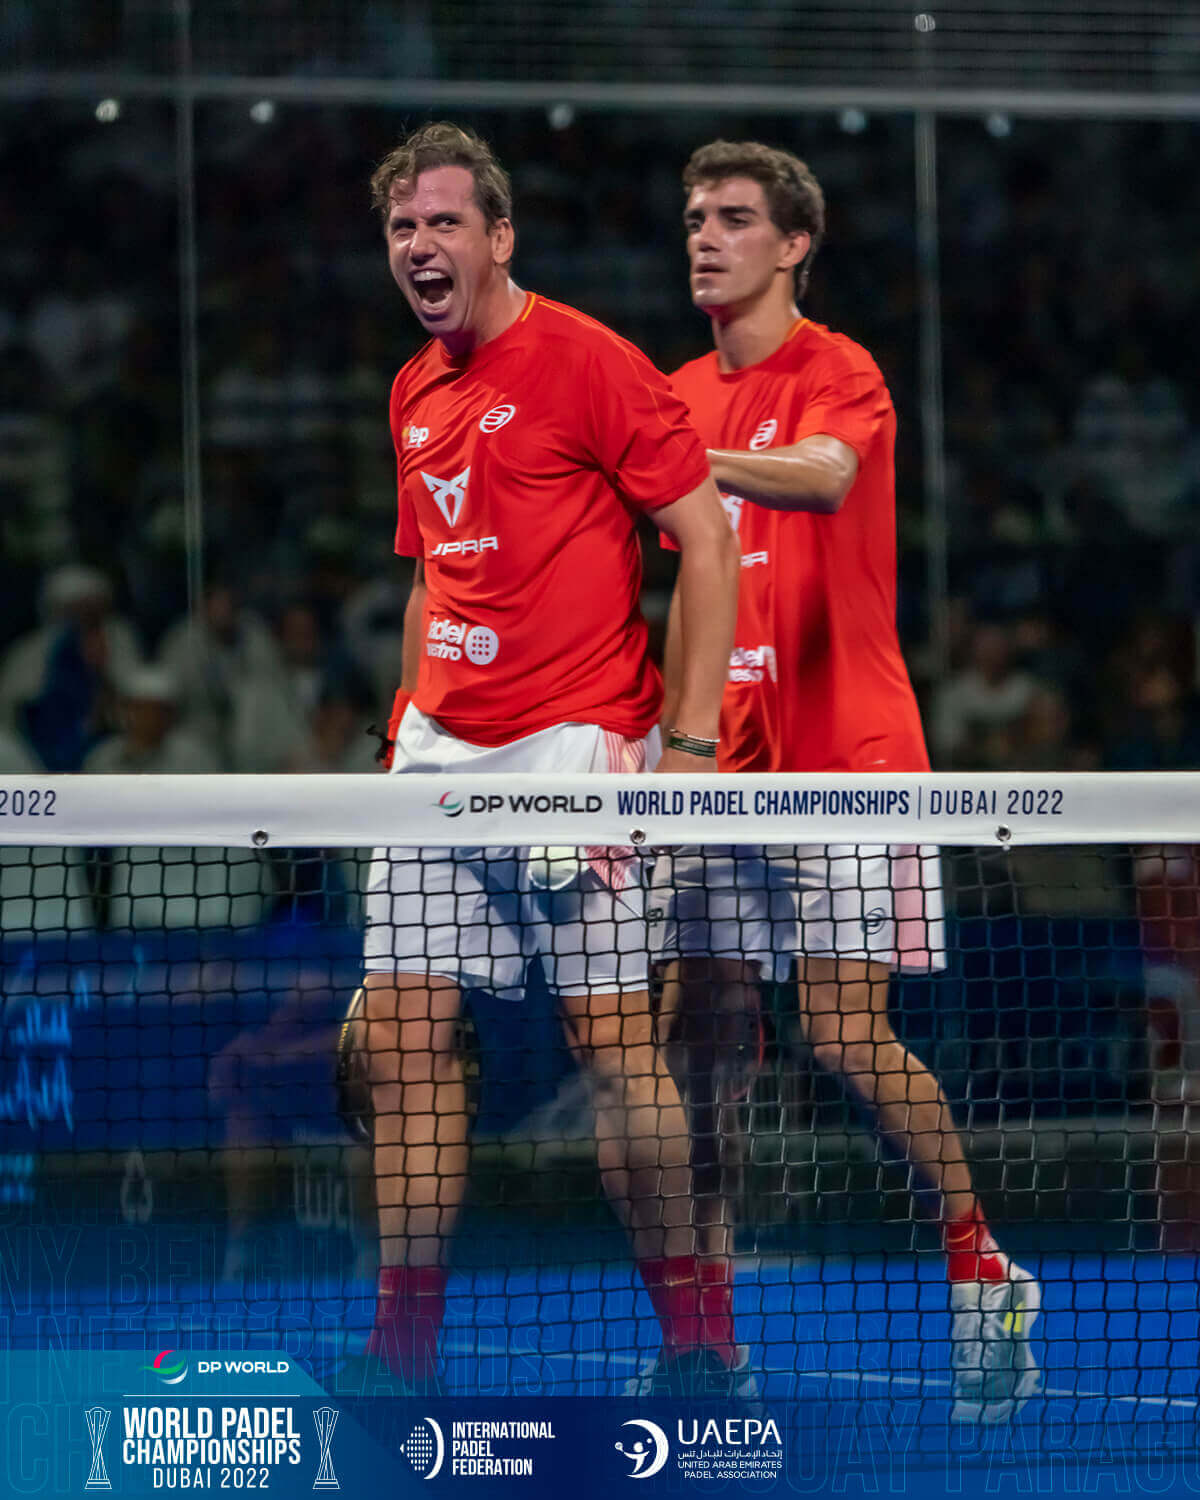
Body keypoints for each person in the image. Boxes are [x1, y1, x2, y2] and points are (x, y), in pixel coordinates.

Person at [649, 139, 1043, 1424]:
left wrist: (683, 467)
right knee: (694, 1042)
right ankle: (706, 1335)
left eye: (736, 219)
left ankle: (980, 1264)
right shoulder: (664, 393)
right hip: (711, 760)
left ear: (794, 243)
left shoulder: (842, 371)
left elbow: (825, 479)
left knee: (841, 1029)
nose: (706, 237)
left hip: (845, 760)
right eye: (697, 218)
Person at [349, 123, 741, 1399]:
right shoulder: (414, 388)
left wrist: (684, 747)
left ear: (499, 236)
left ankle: (694, 1340)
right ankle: (401, 1355)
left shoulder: (587, 361)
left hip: (576, 744)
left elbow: (705, 545)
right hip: (436, 751)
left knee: (617, 1049)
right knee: (404, 1047)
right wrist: (401, 723)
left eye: (446, 223)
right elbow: (428, 577)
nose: (423, 245)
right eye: (406, 227)